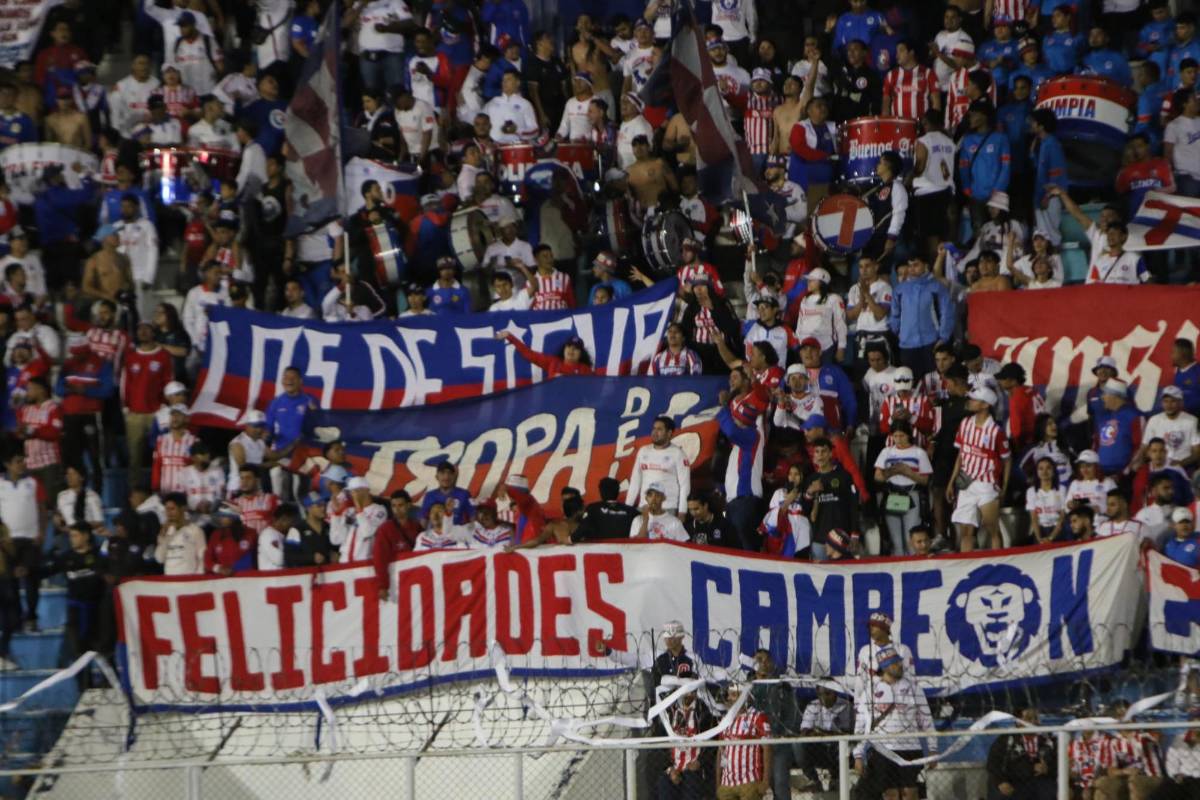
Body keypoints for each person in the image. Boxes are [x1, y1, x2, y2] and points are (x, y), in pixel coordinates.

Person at [852, 646, 937, 800]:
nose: (900, 666)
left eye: (899, 662)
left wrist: (932, 749)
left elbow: (926, 721)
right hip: (883, 751)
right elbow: (861, 726)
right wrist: (858, 755)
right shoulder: (870, 692)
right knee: (890, 794)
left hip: (910, 749)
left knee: (910, 793)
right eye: (895, 663)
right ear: (884, 667)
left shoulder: (914, 689)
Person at [947, 386, 1011, 551]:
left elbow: (1007, 460)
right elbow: (961, 454)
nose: (970, 401)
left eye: (974, 399)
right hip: (966, 484)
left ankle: (998, 564)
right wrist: (951, 482)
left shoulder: (996, 431)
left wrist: (1004, 487)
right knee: (966, 532)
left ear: (985, 405)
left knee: (992, 529)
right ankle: (967, 566)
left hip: (987, 484)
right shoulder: (965, 423)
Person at [0, 452, 47, 632]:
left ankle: (32, 618)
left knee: (31, 583)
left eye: (23, 461)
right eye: (18, 462)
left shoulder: (34, 483)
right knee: (9, 584)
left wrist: (42, 532)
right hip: (7, 542)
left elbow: (42, 509)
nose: (22, 465)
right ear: (7, 464)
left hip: (30, 540)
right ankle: (16, 621)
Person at [888, 255, 956, 379]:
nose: (912, 269)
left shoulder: (936, 287)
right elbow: (894, 315)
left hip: (931, 343)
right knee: (912, 383)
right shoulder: (900, 289)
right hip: (907, 346)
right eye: (909, 265)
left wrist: (943, 338)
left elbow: (947, 313)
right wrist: (899, 334)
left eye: (916, 265)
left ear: (926, 266)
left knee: (934, 381)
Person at [875, 421, 933, 556]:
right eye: (895, 436)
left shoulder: (919, 453)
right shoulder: (887, 452)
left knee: (911, 537)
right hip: (892, 495)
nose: (898, 440)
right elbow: (877, 477)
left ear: (909, 435)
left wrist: (908, 472)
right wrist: (892, 471)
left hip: (911, 495)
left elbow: (925, 480)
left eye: (902, 436)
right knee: (896, 540)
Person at [986, 707, 1056, 800]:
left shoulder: (1049, 739)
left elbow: (1060, 762)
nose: (1034, 722)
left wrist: (1048, 768)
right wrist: (1001, 781)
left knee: (1052, 792)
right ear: (1018, 722)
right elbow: (993, 763)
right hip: (1014, 781)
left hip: (1041, 782)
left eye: (1036, 718)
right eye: (1029, 718)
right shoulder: (1006, 739)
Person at [716, 681, 771, 800]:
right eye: (729, 695)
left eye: (734, 695)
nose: (730, 698)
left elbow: (767, 748)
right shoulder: (725, 720)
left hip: (749, 780)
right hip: (727, 782)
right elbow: (720, 751)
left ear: (744, 697)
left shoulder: (757, 717)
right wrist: (718, 783)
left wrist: (765, 780)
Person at [626, 416, 691, 516]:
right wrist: (628, 507)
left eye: (659, 429)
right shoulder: (643, 451)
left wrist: (682, 512)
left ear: (669, 433)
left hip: (667, 508)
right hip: (644, 507)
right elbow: (635, 481)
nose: (654, 432)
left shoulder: (678, 453)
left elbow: (685, 485)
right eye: (654, 428)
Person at [574, 477, 639, 542]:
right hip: (624, 550)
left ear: (601, 491)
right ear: (618, 491)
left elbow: (583, 528)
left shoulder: (592, 508)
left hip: (599, 550)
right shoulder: (631, 511)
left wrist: (571, 539)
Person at [157, 492, 205, 575]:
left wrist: (197, 581)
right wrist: (164, 536)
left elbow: (202, 558)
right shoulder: (166, 532)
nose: (168, 513)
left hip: (189, 582)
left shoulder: (195, 530)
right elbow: (159, 559)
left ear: (183, 509)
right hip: (169, 583)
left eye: (172, 509)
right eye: (166, 509)